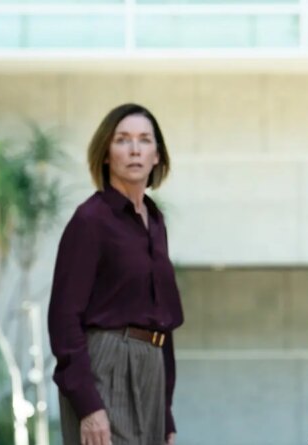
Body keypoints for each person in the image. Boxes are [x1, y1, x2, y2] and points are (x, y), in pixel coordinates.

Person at [48, 103, 183, 445]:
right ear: (106, 154)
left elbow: (162, 319)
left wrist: (165, 413)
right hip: (105, 365)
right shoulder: (90, 220)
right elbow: (64, 318)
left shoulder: (155, 221)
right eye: (122, 139)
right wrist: (88, 406)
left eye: (145, 140)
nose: (135, 149)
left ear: (157, 155)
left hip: (151, 366)